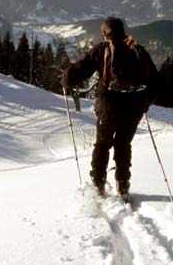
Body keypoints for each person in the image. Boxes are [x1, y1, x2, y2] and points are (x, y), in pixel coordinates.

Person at [61, 16, 160, 200]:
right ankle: (122, 185)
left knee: (102, 144)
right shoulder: (137, 50)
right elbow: (156, 83)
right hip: (133, 109)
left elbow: (80, 70)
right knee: (123, 145)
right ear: (123, 32)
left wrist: (65, 79)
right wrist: (144, 103)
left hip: (108, 107)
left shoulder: (102, 50)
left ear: (105, 34)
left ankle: (98, 184)